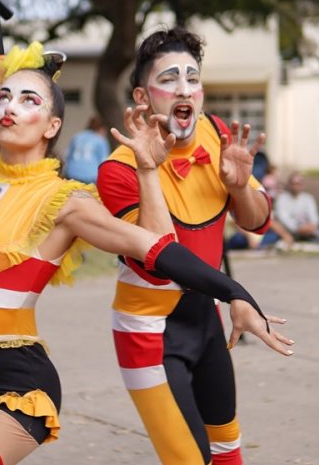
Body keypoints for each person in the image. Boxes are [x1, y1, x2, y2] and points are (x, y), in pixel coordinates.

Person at [0, 0, 292, 465]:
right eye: (5, 100)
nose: (9, 106)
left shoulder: (66, 202)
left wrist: (235, 291)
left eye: (29, 101)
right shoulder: (0, 166)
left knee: (222, 451)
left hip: (26, 382)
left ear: (53, 126)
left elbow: (157, 249)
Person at [96, 25, 289, 465]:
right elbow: (160, 259)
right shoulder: (117, 169)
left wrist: (239, 188)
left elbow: (257, 222)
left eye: (193, 78)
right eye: (168, 80)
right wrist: (149, 170)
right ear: (142, 99)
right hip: (149, 331)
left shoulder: (216, 133)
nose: (184, 89)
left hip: (206, 318)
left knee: (226, 452)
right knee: (190, 460)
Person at [62, 115, 110, 184]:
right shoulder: (100, 140)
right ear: (101, 129)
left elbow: (66, 155)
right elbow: (104, 163)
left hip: (71, 174)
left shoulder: (77, 136)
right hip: (90, 177)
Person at [274, 171, 319, 242]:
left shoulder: (308, 198)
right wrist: (297, 229)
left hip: (307, 231)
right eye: (293, 183)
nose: (296, 186)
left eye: (298, 183)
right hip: (287, 231)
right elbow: (283, 218)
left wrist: (310, 227)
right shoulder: (281, 198)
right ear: (289, 184)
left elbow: (314, 218)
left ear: (302, 185)